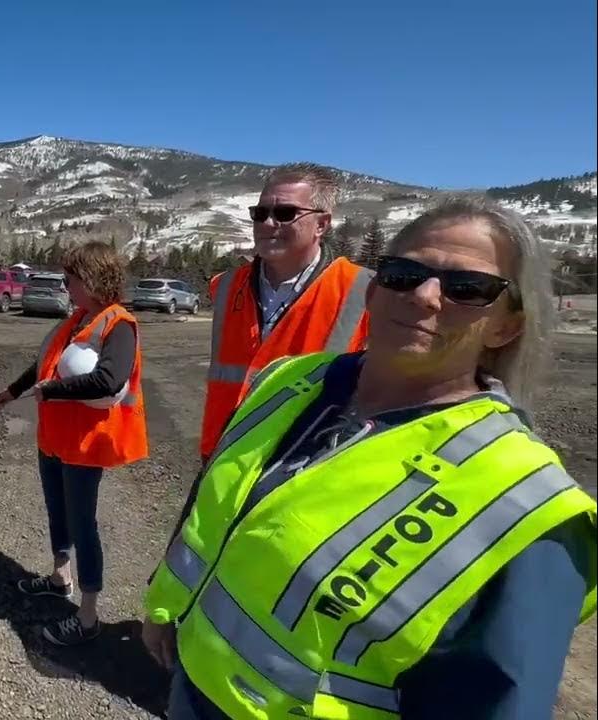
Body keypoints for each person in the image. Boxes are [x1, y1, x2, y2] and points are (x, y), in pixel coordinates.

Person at [142, 197, 597, 720]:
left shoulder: (526, 507)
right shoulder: (288, 382)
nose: (425, 297)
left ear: (506, 326)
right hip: (193, 688)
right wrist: (167, 609)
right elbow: (212, 511)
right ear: (375, 291)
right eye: (404, 274)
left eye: (467, 289)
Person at [0, 241, 148, 645]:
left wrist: (53, 391)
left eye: (71, 279)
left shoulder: (120, 325)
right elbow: (45, 363)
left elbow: (110, 380)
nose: (67, 286)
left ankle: (89, 616)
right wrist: (12, 390)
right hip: (54, 439)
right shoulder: (79, 318)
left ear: (93, 279)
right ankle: (61, 577)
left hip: (85, 443)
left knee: (83, 522)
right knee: (56, 511)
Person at [199, 163, 372, 462]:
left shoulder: (366, 292)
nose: (267, 223)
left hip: (300, 462)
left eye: (284, 214)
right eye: (260, 213)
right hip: (222, 452)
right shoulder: (226, 286)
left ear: (322, 225)